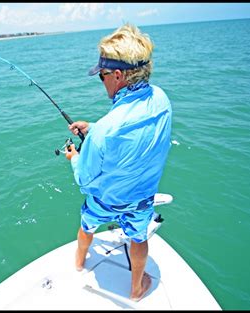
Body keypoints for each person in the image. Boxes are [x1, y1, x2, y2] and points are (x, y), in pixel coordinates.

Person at [64, 23, 172, 302]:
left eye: (101, 76)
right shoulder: (162, 99)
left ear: (118, 75)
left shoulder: (105, 132)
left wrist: (75, 157)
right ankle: (136, 289)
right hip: (141, 201)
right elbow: (131, 130)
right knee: (139, 237)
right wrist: (95, 128)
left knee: (87, 225)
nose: (102, 82)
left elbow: (84, 181)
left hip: (105, 201)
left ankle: (79, 264)